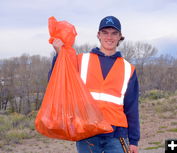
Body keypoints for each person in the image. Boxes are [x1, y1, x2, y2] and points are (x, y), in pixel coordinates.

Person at [48, 16, 140, 153]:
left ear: (120, 37)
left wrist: (133, 141)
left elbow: (131, 108)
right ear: (98, 35)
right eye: (105, 32)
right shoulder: (81, 60)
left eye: (114, 33)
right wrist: (59, 54)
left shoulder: (128, 69)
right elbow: (58, 80)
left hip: (116, 135)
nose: (109, 37)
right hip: (87, 133)